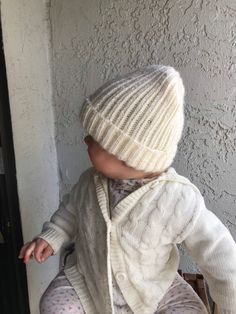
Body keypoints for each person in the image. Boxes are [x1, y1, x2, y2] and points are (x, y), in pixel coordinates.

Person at [19, 65, 236, 314]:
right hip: (89, 281)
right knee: (53, 305)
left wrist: (230, 305)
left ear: (126, 154)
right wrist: (52, 236)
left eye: (94, 137)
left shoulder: (178, 198)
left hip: (153, 288)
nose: (85, 140)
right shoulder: (89, 182)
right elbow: (71, 213)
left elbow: (220, 256)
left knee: (190, 310)